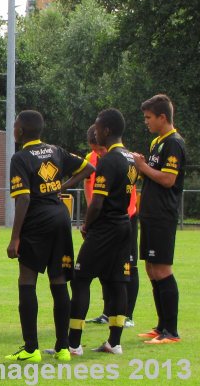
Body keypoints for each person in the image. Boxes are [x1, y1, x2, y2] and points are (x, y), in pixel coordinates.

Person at [5, 110, 93, 363]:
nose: (14, 129)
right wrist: (62, 187)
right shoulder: (56, 151)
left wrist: (15, 238)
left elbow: (23, 198)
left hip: (37, 221)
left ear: (20, 131)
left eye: (15, 126)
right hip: (60, 217)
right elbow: (89, 167)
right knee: (59, 282)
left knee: (27, 280)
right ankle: (63, 348)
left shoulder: (20, 157)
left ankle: (31, 349)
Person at [66, 108, 136, 356]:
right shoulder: (130, 159)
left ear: (106, 130)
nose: (95, 132)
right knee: (117, 283)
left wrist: (86, 225)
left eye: (96, 127)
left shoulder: (108, 160)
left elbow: (97, 202)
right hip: (124, 227)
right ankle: (114, 343)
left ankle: (73, 344)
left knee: (81, 278)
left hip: (105, 227)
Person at [132, 94, 185, 344]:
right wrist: (141, 166)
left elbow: (168, 179)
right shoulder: (157, 142)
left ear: (163, 117)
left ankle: (171, 332)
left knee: (162, 268)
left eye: (149, 117)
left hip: (163, 215)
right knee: (151, 268)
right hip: (151, 215)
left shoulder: (173, 143)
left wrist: (142, 167)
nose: (146, 122)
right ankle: (161, 326)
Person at [84, 124, 140, 328]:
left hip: (126, 216)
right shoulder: (94, 158)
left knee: (128, 266)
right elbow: (89, 183)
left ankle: (127, 315)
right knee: (105, 267)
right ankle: (108, 312)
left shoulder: (120, 158)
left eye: (100, 148)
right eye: (95, 149)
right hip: (102, 218)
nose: (99, 153)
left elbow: (128, 190)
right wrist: (91, 211)